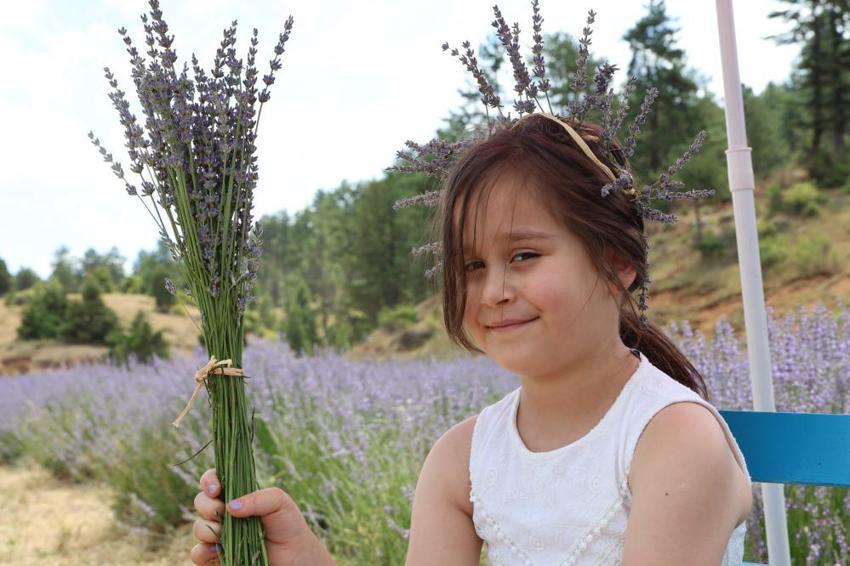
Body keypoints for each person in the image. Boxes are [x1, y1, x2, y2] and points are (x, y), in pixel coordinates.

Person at [191, 6, 754, 564]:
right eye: (472, 266)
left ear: (616, 262)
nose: (492, 292)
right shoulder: (463, 458)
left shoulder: (672, 439)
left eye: (524, 255)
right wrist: (299, 556)